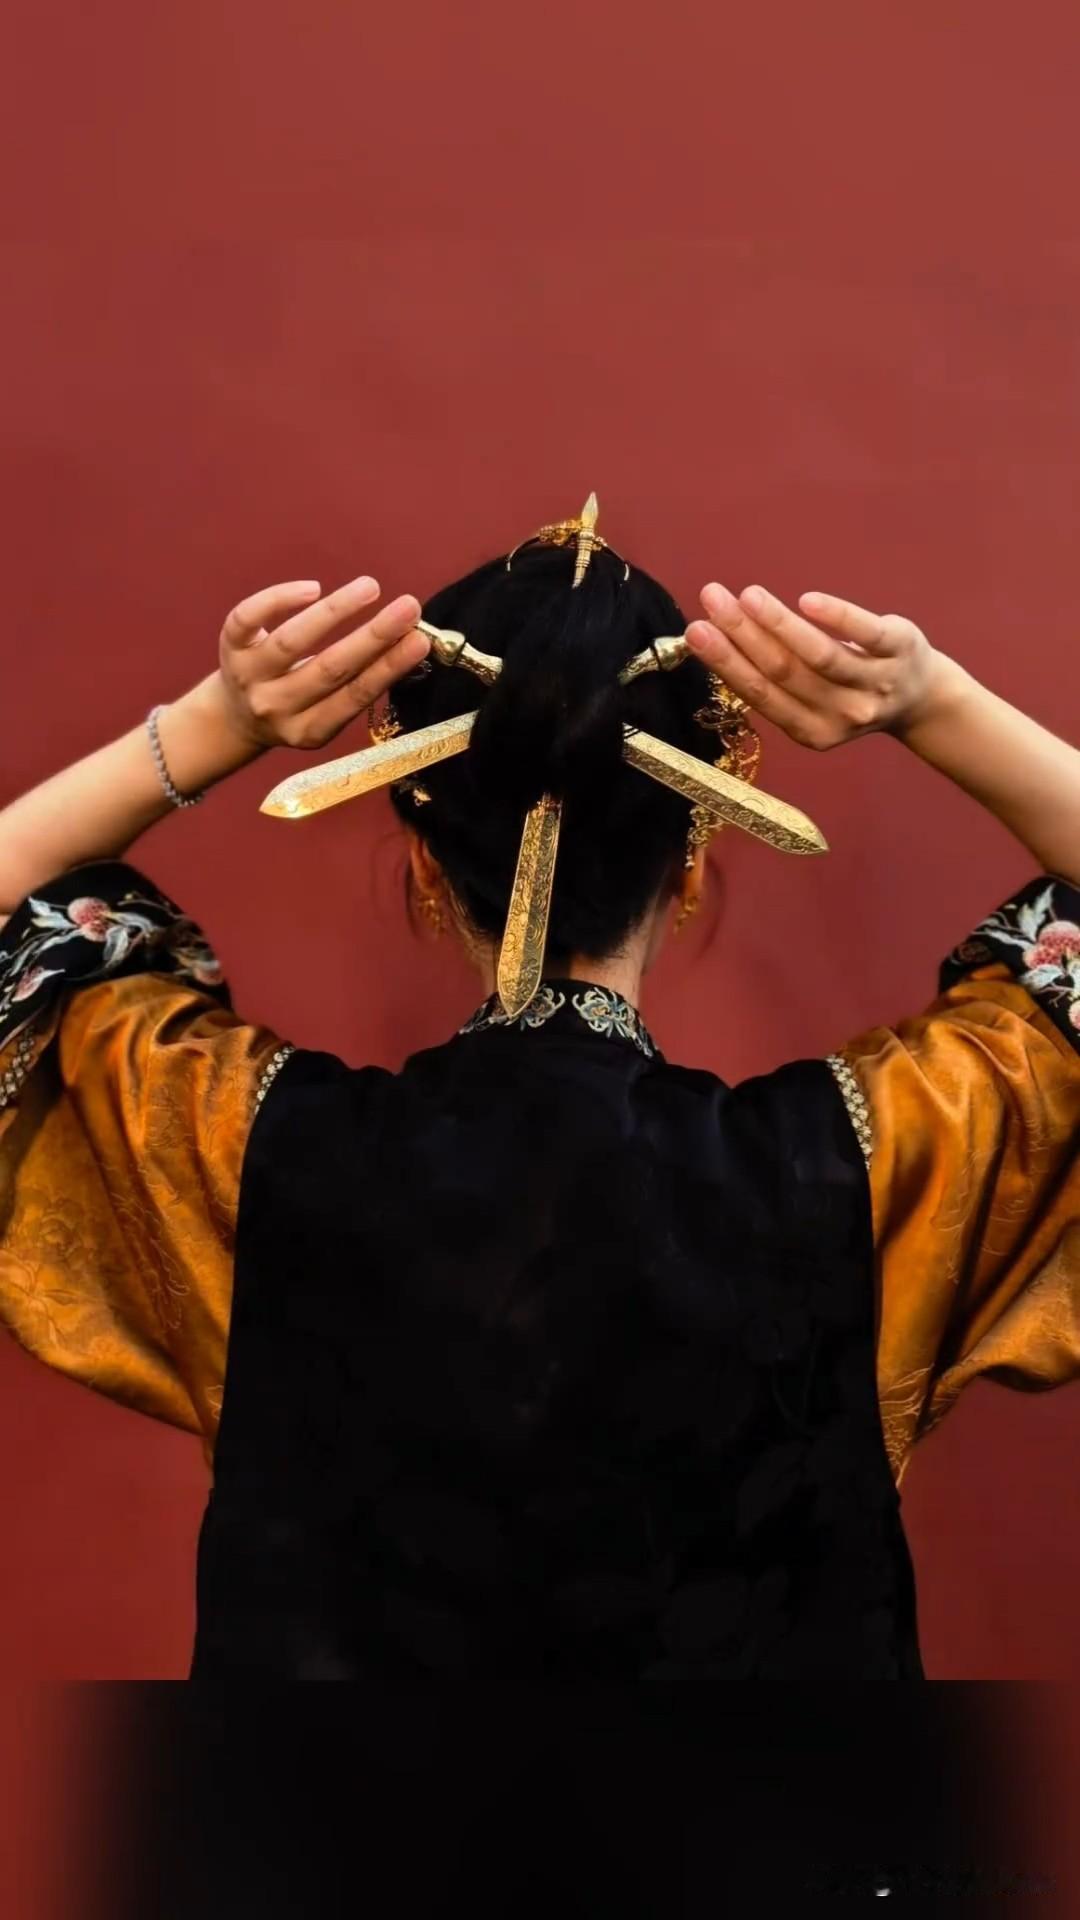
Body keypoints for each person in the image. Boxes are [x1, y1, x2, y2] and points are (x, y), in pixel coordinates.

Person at [1, 496, 1078, 1685]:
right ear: (693, 860)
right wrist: (933, 703)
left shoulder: (242, 1148)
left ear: (422, 862)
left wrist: (210, 726)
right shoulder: (869, 1163)